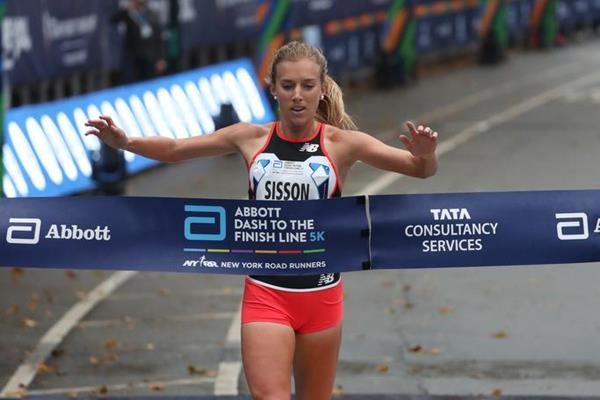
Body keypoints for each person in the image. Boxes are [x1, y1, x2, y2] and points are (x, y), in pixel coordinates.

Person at [85, 41, 438, 400]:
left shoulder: (342, 143)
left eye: (307, 86)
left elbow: (420, 170)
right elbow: (176, 150)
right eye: (288, 86)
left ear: (321, 88)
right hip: (267, 293)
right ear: (273, 89)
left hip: (322, 296)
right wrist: (126, 142)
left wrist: (425, 155)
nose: (297, 95)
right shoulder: (250, 138)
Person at [111, 0, 167, 84]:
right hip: (133, 57)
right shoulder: (129, 14)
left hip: (149, 57)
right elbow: (114, 20)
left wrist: (161, 57)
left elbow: (158, 38)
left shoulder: (152, 14)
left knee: (149, 82)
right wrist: (127, 9)